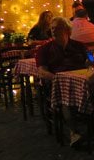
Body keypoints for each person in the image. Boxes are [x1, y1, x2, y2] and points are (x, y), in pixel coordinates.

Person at [36, 16, 89, 146]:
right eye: (52, 28)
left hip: (79, 82)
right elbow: (41, 71)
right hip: (57, 84)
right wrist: (58, 79)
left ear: (67, 30)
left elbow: (89, 63)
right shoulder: (44, 49)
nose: (53, 31)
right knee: (66, 96)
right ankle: (73, 132)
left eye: (57, 28)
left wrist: (90, 62)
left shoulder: (79, 46)